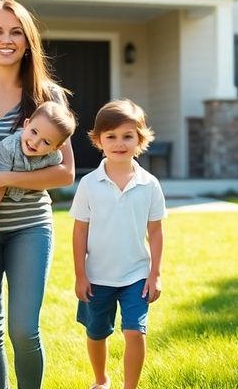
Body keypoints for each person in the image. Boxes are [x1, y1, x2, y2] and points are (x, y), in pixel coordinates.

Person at [0, 0, 75, 389]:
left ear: (28, 41)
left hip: (30, 228)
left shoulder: (47, 96)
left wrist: (1, 178)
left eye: (15, 32)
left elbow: (65, 173)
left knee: (24, 329)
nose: (6, 40)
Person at [69, 99, 166, 389]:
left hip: (137, 276)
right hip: (97, 276)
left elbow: (156, 232)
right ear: (99, 140)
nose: (119, 143)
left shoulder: (150, 184)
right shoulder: (89, 184)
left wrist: (155, 274)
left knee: (135, 332)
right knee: (96, 333)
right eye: (111, 136)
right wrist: (80, 275)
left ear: (140, 139)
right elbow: (79, 232)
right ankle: (101, 380)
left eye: (127, 136)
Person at [0, 100, 76, 217]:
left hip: (37, 215)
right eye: (34, 132)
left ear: (56, 147)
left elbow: (60, 176)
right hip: (4, 213)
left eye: (46, 142)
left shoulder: (54, 157)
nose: (35, 142)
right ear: (26, 124)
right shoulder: (8, 147)